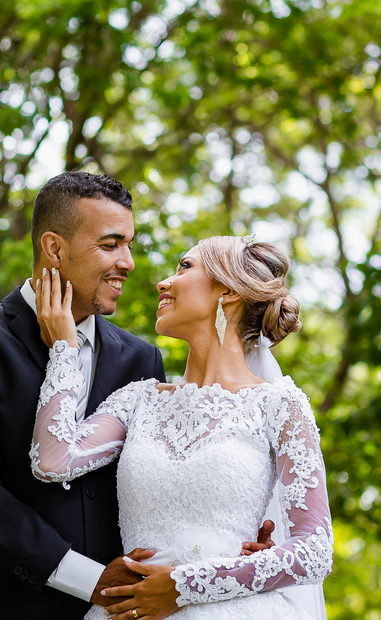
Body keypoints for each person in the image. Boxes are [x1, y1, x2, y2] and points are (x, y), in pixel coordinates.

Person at [0, 172, 273, 619]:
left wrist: (237, 545)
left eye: (129, 244)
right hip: (4, 607)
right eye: (110, 245)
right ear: (54, 248)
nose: (128, 262)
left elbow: (168, 482)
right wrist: (88, 579)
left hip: (129, 611)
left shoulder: (140, 358)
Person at [29, 235, 333, 620]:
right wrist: (64, 349)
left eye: (185, 267)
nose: (163, 282)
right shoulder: (138, 399)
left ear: (228, 290)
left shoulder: (280, 405)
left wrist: (183, 586)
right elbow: (53, 461)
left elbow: (314, 551)